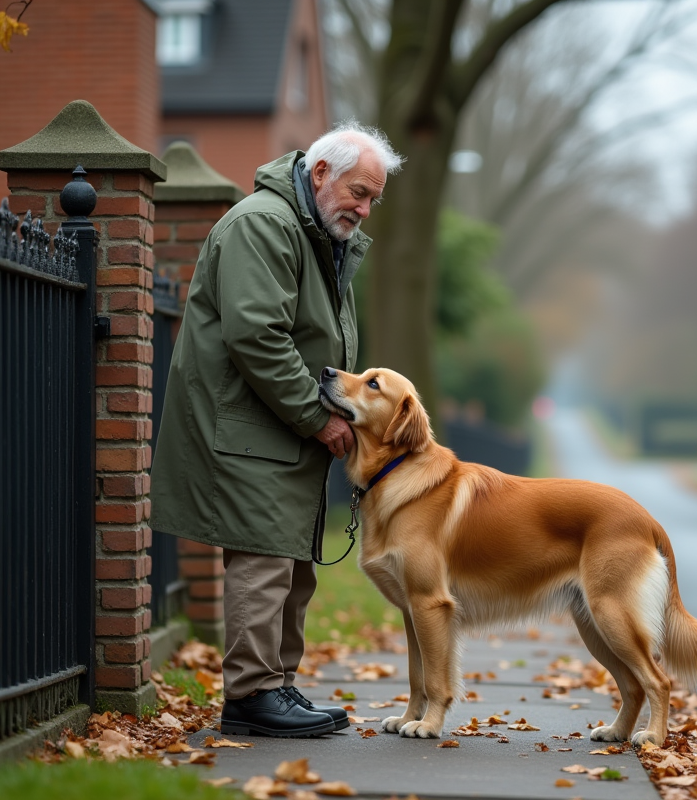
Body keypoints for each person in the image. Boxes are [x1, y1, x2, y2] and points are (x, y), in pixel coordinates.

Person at [150, 122, 403, 738]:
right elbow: (256, 336)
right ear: (320, 173)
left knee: (292, 558)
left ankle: (276, 685)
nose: (365, 209)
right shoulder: (264, 224)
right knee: (265, 554)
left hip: (274, 423)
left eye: (374, 199)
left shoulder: (314, 230)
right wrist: (317, 415)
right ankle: (252, 695)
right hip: (249, 421)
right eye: (359, 192)